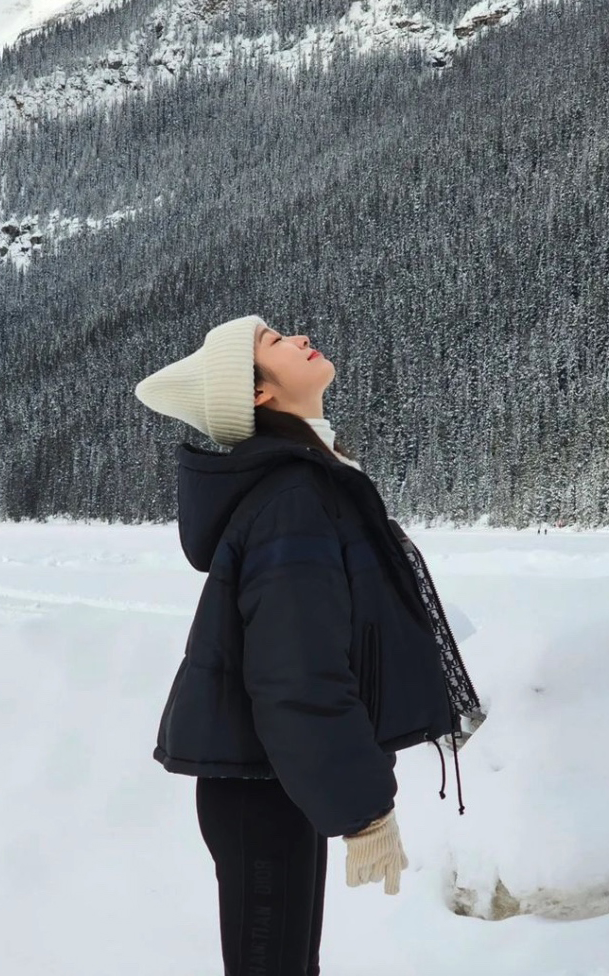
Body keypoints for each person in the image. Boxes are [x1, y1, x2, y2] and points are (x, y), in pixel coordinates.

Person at [134, 314, 475, 976]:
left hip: (273, 779)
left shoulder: (312, 481)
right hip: (263, 788)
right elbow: (297, 674)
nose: (297, 338)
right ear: (257, 393)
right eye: (272, 342)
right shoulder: (295, 497)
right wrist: (363, 809)